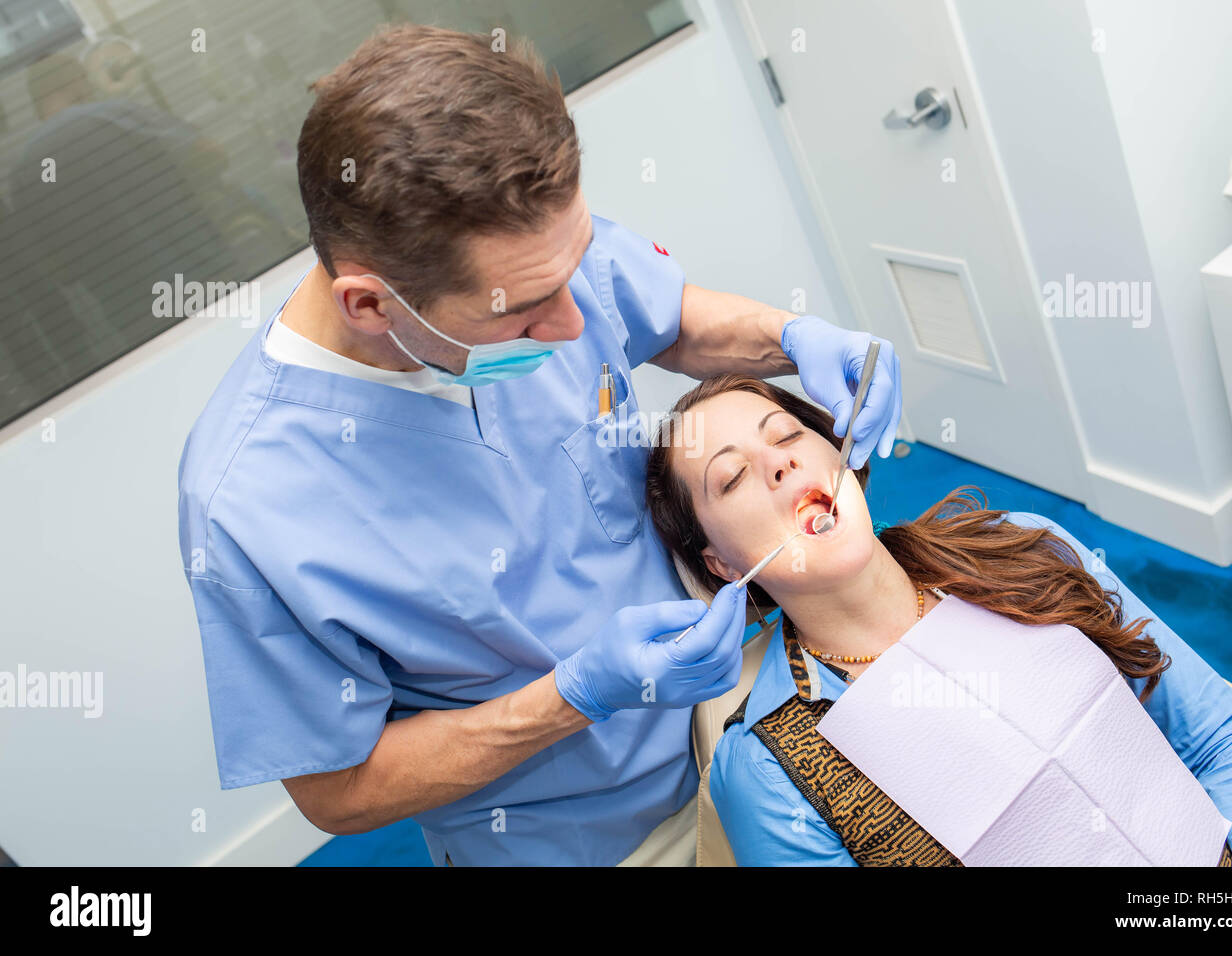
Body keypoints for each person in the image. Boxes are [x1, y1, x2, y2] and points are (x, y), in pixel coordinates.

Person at [176, 24, 903, 866]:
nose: (572, 325)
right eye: (521, 311)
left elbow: (666, 317)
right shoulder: (248, 506)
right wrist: (576, 696)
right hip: (598, 838)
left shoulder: (531, 252)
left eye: (576, 267)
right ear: (372, 306)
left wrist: (794, 336)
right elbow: (338, 792)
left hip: (756, 720)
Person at [645, 373, 1232, 866]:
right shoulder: (766, 770)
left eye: (789, 436)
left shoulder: (1027, 547)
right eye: (731, 478)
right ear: (723, 565)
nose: (779, 462)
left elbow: (1217, 740)